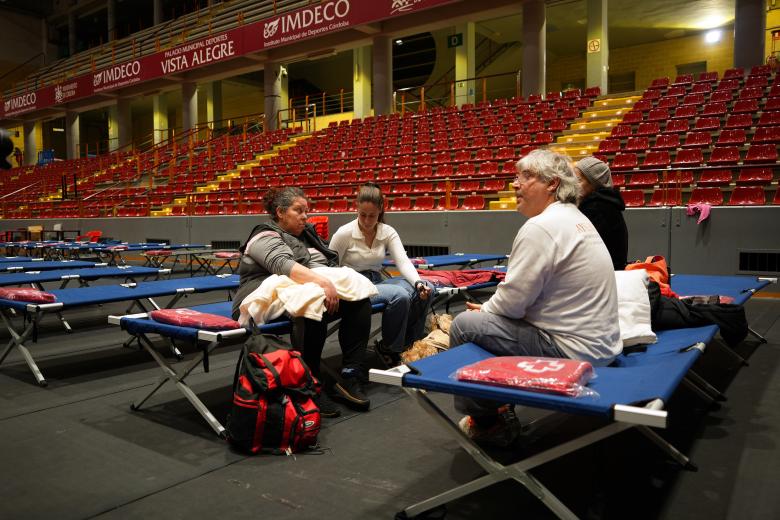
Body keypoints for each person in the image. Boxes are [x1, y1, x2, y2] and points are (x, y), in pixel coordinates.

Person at [452, 149, 622, 447]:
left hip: (575, 353)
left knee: (465, 325)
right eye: (517, 176)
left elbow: (512, 304)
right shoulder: (576, 218)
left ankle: (488, 423)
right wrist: (493, 309)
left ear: (553, 184)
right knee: (485, 318)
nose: (515, 184)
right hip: (604, 347)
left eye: (526, 176)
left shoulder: (541, 226)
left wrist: (486, 310)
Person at [232, 187, 373, 416]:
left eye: (306, 211)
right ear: (280, 212)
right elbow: (283, 266)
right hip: (260, 295)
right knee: (313, 302)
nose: (305, 216)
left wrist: (334, 281)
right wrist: (324, 283)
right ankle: (310, 384)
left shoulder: (305, 233)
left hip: (298, 289)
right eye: (299, 211)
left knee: (359, 300)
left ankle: (350, 373)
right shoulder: (263, 235)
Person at [329, 183, 433, 365]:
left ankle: (411, 345)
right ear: (356, 209)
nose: (367, 221)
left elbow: (402, 262)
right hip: (353, 286)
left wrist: (418, 283)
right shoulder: (343, 233)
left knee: (428, 286)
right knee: (399, 295)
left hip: (377, 281)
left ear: (381, 211)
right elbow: (329, 267)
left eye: (372, 216)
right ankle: (390, 348)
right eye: (363, 215)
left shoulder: (387, 231)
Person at [573, 156, 628, 270]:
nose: (573, 185)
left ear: (594, 183)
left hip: (604, 275)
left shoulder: (597, 208)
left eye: (578, 180)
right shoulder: (604, 203)